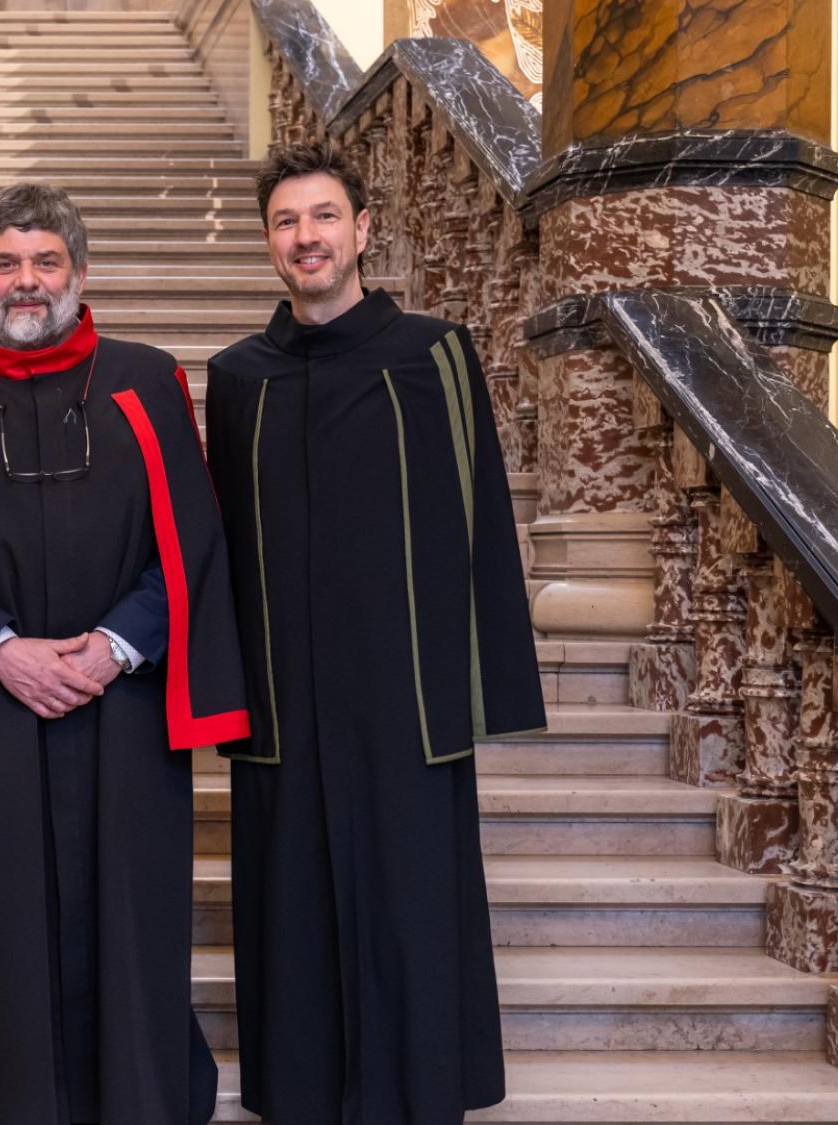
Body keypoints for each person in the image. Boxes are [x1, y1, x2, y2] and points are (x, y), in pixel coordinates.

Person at [0, 181, 250, 1125]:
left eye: (46, 262)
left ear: (80, 274)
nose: (27, 282)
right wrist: (0, 650)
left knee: (132, 919)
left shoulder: (146, 381)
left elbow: (193, 543)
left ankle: (141, 1100)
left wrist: (117, 645)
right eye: (6, 263)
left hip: (124, 703)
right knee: (2, 926)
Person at [205, 142, 545, 1123]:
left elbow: (479, 513)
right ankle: (302, 1087)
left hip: (405, 696)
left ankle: (417, 1084)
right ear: (268, 243)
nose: (303, 237)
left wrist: (480, 690)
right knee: (291, 899)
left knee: (407, 899)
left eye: (321, 218)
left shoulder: (430, 353)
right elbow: (218, 543)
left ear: (360, 231)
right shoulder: (237, 378)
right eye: (284, 222)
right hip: (282, 696)